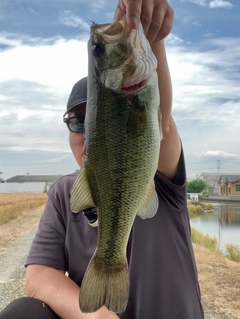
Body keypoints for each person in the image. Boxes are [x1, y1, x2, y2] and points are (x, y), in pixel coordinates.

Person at [0, 1, 204, 318]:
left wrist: (151, 36)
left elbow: (160, 125)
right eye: (75, 122)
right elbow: (38, 275)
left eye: (90, 119)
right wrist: (96, 316)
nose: (84, 130)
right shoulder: (63, 192)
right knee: (22, 313)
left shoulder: (159, 178)